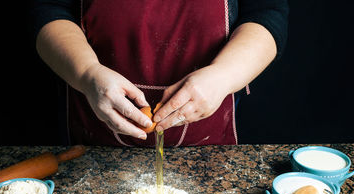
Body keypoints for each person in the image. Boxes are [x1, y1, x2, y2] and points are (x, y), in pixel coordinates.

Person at [30, 0, 288, 147]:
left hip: (207, 148)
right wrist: (87, 73)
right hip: (95, 143)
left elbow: (267, 14)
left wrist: (223, 76)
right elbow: (49, 9)